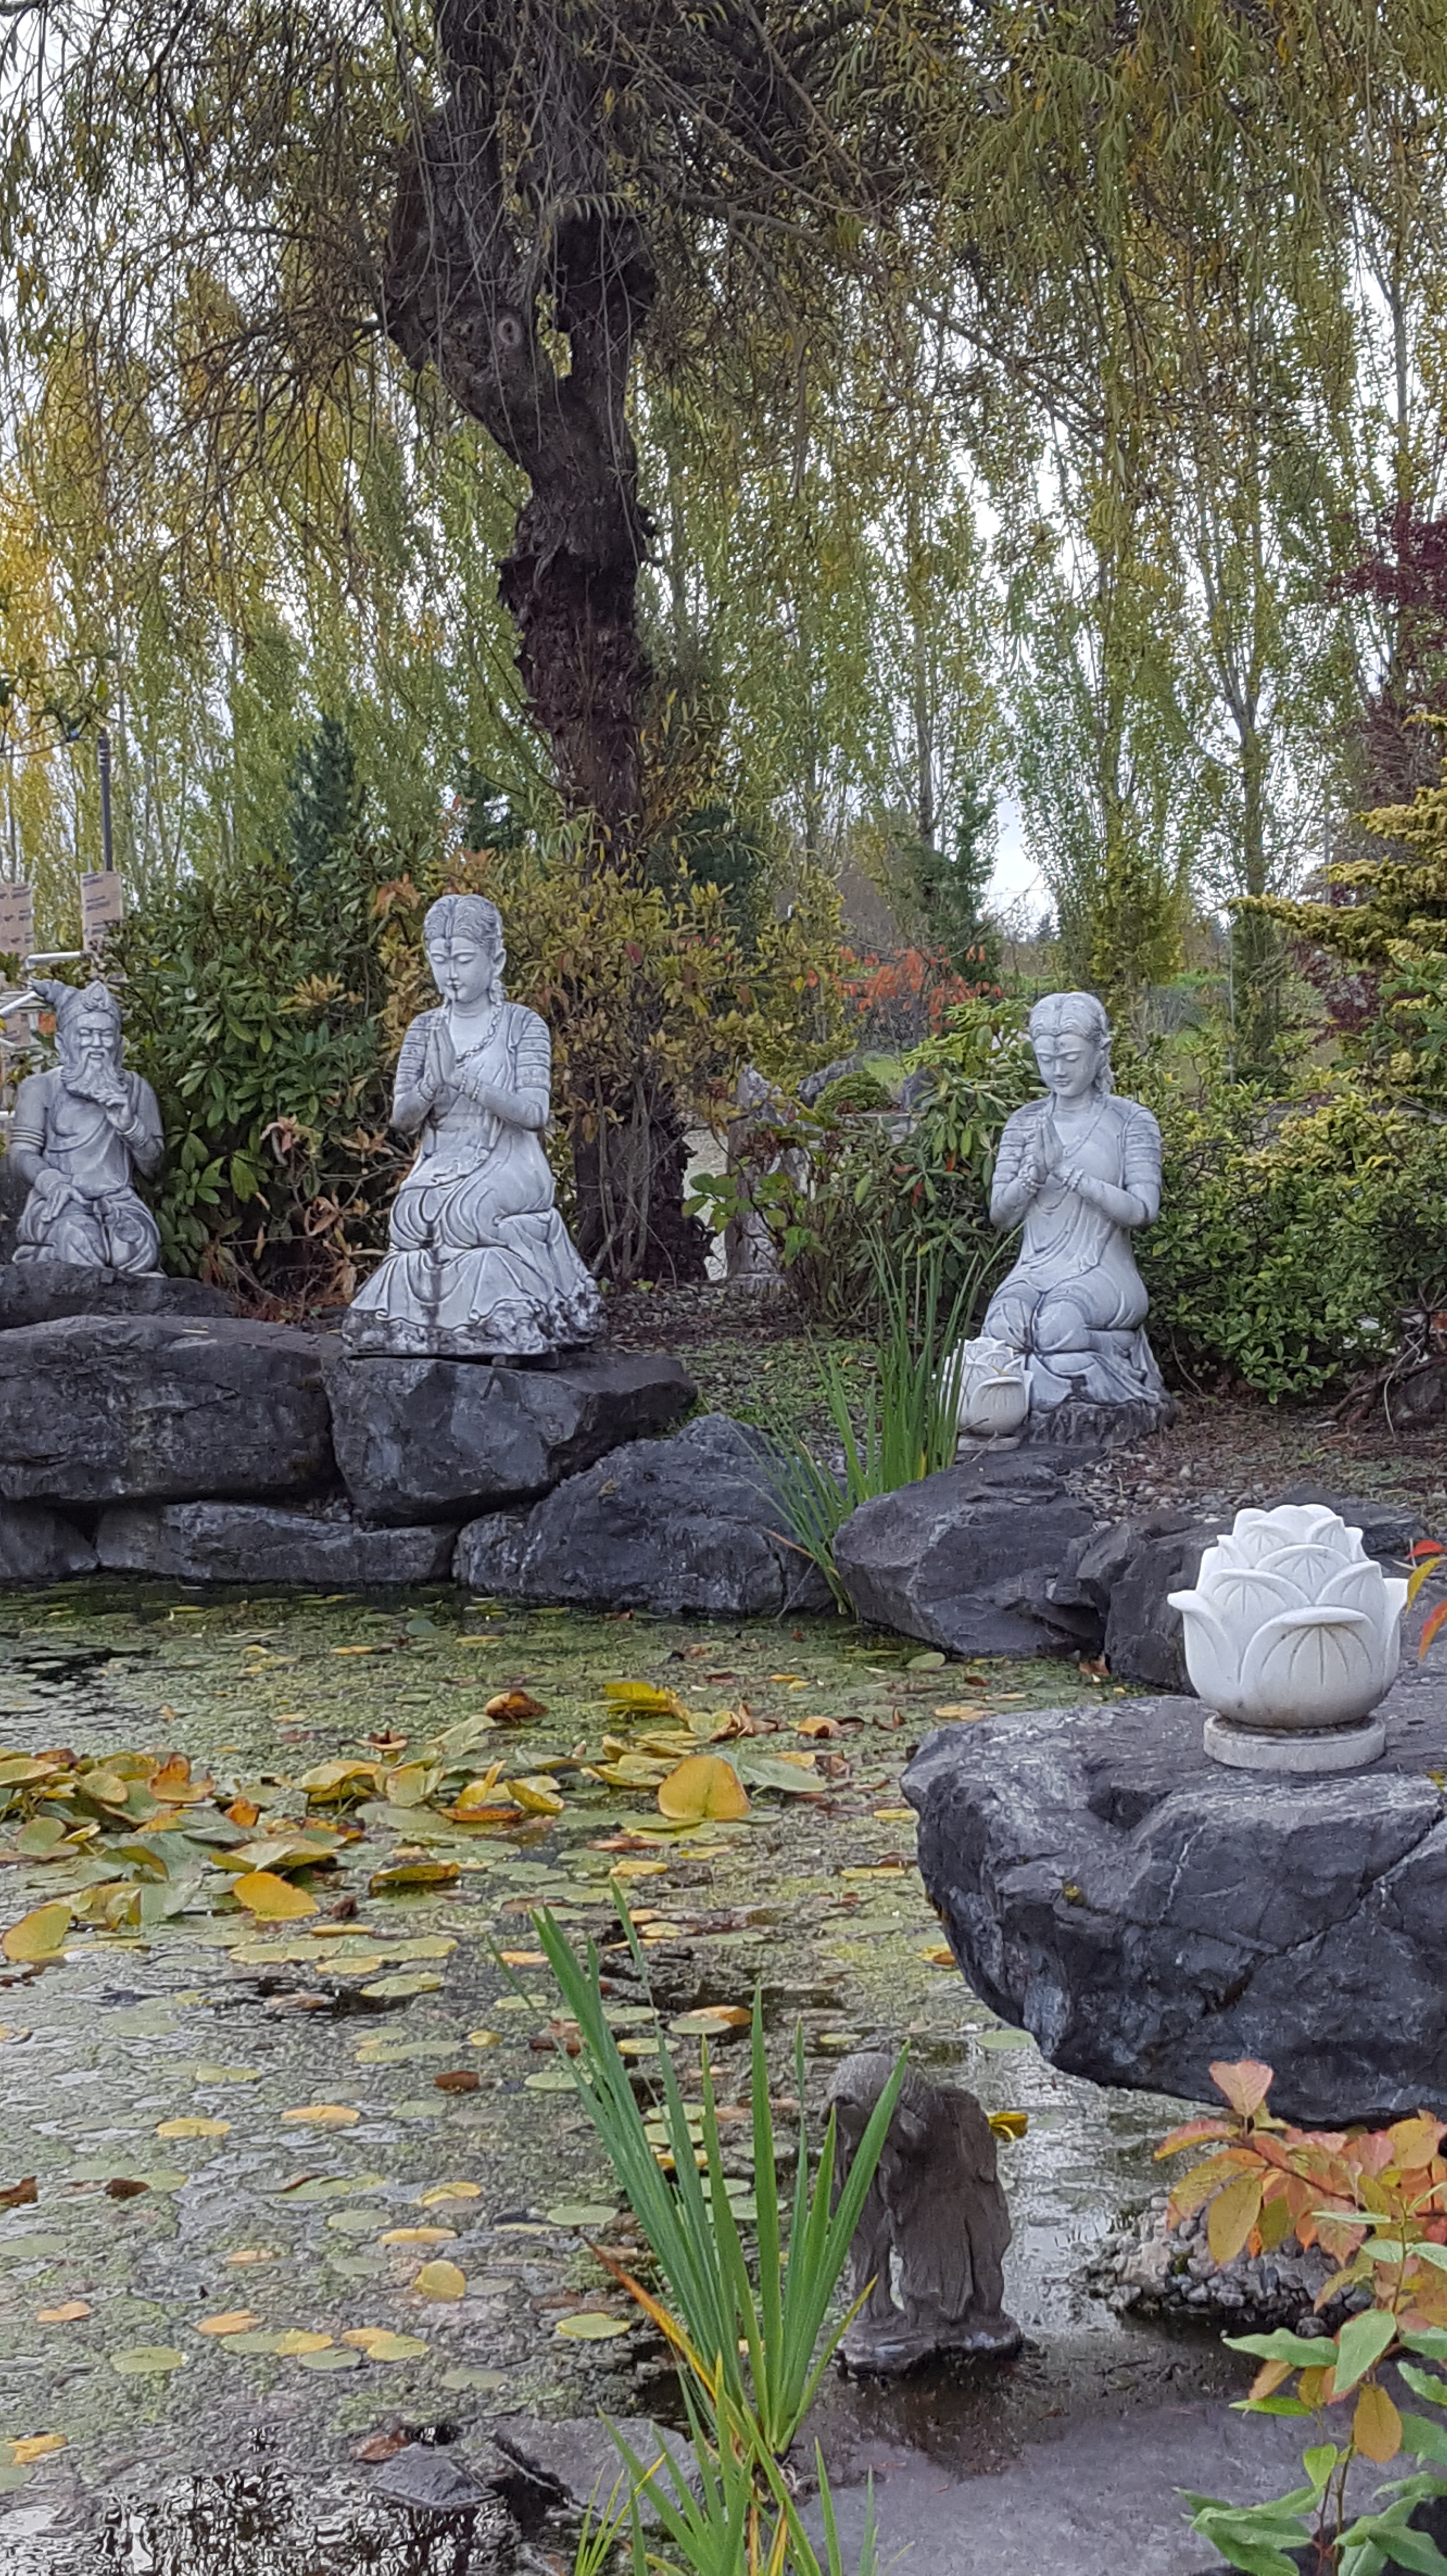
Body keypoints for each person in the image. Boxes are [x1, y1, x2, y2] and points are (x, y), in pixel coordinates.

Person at [345, 892, 601, 1357]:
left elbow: (535, 1113)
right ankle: (418, 1324)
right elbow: (402, 1119)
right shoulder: (424, 1029)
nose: (451, 973)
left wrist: (464, 1080)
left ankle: (502, 1315)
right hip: (442, 1161)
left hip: (510, 1161)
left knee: (469, 1213)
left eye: (463, 960)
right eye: (440, 960)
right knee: (410, 1214)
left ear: (495, 960)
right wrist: (431, 1084)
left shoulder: (523, 1026)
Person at [982, 990, 1166, 1412]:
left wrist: (1069, 1173)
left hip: (1104, 1271)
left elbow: (1143, 1212)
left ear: (1101, 1052)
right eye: (1046, 1059)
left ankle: (1109, 1356)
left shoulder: (1131, 1121)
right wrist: (1033, 1175)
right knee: (1002, 1325)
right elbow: (1001, 1216)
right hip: (1034, 1268)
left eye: (1069, 1058)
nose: (1058, 1071)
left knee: (1057, 1325)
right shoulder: (1024, 1122)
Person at [10, 980, 163, 1273]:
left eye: (105, 1035)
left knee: (136, 1250)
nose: (96, 1045)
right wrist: (52, 1182)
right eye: (86, 1034)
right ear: (62, 1043)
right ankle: (42, 1257)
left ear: (118, 1044)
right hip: (58, 1201)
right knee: (80, 1241)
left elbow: (154, 1168)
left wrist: (130, 1127)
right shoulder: (41, 1088)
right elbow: (21, 1155)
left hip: (119, 1200)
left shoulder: (136, 1090)